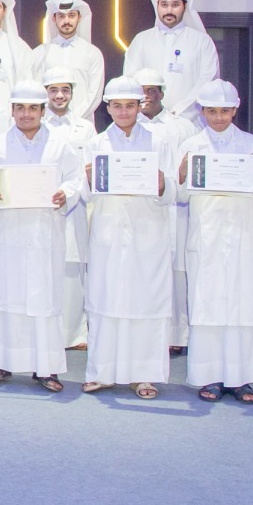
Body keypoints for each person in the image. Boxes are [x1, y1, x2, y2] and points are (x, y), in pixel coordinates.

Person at [0, 81, 83, 392]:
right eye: (20, 108)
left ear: (43, 111)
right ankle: (0, 364)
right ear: (12, 111)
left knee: (43, 299)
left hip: (43, 234)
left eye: (33, 108)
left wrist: (65, 192)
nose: (26, 114)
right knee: (4, 297)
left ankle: (46, 368)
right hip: (8, 234)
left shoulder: (60, 145)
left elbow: (76, 179)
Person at [81, 77, 176, 398]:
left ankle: (144, 375)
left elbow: (175, 190)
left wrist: (163, 182)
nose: (124, 112)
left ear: (140, 107)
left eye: (130, 106)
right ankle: (101, 372)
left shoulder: (158, 142)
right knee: (106, 301)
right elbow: (83, 193)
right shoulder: (96, 145)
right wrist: (88, 179)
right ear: (107, 108)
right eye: (117, 106)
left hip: (147, 235)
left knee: (144, 303)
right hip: (108, 234)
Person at [177, 80, 253, 404]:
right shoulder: (191, 145)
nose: (218, 118)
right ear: (202, 112)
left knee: (244, 306)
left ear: (235, 109)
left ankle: (242, 379)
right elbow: (179, 196)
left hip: (244, 236)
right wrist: (182, 173)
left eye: (225, 111)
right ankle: (210, 376)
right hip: (206, 237)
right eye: (212, 111)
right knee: (208, 306)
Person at [135, 67, 197, 354]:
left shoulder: (181, 127)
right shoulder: (126, 126)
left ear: (161, 93)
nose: (147, 96)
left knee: (177, 273)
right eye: (142, 91)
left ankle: (176, 335)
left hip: (176, 207)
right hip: (140, 212)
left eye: (152, 90)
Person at [41, 67, 95, 350]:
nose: (60, 96)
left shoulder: (85, 127)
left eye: (65, 90)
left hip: (75, 207)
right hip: (41, 204)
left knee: (73, 271)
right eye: (54, 90)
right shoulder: (36, 124)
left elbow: (91, 169)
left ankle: (74, 334)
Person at [122, 0, 219, 121]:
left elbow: (207, 80)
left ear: (184, 7)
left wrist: (179, 111)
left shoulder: (202, 41)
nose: (169, 10)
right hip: (147, 122)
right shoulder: (141, 40)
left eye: (175, 5)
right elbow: (130, 80)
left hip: (189, 122)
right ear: (157, 7)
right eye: (164, 5)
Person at [30, 0, 105, 119]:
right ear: (54, 19)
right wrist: (51, 117)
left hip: (82, 126)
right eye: (61, 16)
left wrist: (73, 118)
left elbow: (95, 94)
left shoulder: (92, 53)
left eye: (71, 15)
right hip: (47, 124)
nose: (66, 21)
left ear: (79, 17)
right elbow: (36, 90)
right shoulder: (40, 53)